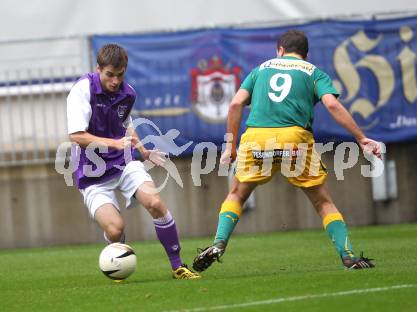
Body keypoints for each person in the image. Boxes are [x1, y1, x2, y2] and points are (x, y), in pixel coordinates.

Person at [193, 30, 381, 272]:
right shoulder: (314, 72)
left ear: (280, 50)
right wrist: (361, 138)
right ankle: (347, 256)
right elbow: (332, 104)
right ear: (305, 53)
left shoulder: (261, 69)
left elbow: (235, 103)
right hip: (295, 138)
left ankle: (219, 242)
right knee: (323, 202)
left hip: (257, 139)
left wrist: (230, 147)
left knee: (237, 195)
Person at [67, 43, 200, 279]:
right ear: (98, 69)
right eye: (109, 75)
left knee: (155, 203)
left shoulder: (128, 94)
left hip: (123, 162)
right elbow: (76, 136)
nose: (115, 81)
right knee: (115, 229)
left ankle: (178, 266)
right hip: (92, 174)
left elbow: (126, 126)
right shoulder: (82, 90)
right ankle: (117, 252)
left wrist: (144, 150)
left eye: (120, 75)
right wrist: (114, 143)